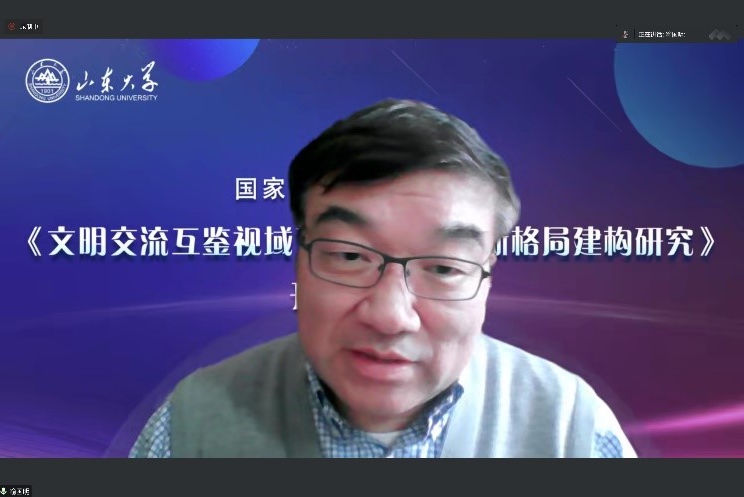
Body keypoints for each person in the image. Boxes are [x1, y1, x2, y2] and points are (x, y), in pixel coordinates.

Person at [129, 98, 637, 458]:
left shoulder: (571, 430)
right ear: (299, 259)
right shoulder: (191, 426)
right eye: (350, 256)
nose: (391, 317)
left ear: (487, 279)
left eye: (443, 268)